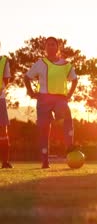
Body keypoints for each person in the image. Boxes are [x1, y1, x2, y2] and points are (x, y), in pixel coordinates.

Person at [24, 37, 80, 169]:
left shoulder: (66, 64)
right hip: (43, 99)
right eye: (48, 45)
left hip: (60, 98)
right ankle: (45, 161)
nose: (50, 47)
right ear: (45, 48)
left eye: (53, 44)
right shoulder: (40, 63)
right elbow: (27, 77)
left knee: (66, 115)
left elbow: (75, 80)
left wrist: (69, 95)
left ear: (57, 47)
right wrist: (31, 93)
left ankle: (69, 146)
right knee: (44, 129)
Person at [0, 42, 12, 169]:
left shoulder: (4, 61)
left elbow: (6, 80)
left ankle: (4, 161)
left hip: (0, 99)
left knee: (3, 129)